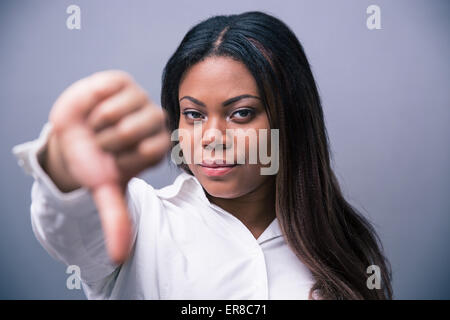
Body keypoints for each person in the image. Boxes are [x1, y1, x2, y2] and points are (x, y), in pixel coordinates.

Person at [12, 11, 392, 300]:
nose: (211, 137)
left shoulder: (343, 247)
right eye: (193, 114)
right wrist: (66, 162)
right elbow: (71, 226)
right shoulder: (142, 220)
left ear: (290, 119)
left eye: (241, 113)